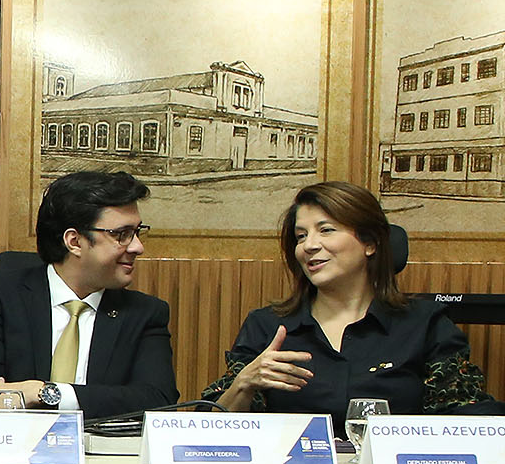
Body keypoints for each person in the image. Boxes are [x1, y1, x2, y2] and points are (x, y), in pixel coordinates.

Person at [202, 180, 499, 428]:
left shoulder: (425, 324)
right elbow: (207, 432)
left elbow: (468, 420)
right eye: (301, 236)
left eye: (326, 230)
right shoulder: (268, 326)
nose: (309, 245)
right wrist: (244, 383)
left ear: (370, 243)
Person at [0, 169, 177, 414]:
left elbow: (158, 400)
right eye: (122, 235)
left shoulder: (145, 313)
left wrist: (44, 393)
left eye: (137, 232)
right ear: (74, 242)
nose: (138, 247)